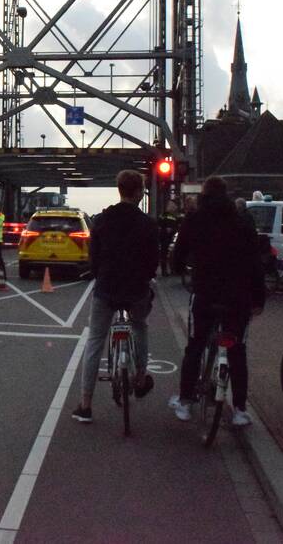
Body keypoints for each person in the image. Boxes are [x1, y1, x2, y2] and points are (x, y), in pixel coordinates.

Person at [170, 176, 265, 427]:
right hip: (238, 296)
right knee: (237, 350)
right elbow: (255, 262)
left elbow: (179, 253)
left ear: (204, 194)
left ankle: (185, 402)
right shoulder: (242, 221)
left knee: (195, 346)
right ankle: (241, 410)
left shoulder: (195, 218)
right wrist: (259, 298)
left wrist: (178, 267)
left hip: (205, 292)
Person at [72, 170, 158, 423]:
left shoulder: (102, 219)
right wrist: (147, 276)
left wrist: (97, 272)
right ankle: (140, 378)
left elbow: (94, 256)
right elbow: (153, 259)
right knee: (140, 326)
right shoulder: (147, 223)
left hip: (107, 287)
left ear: (119, 189)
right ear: (140, 192)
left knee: (95, 340)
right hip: (136, 289)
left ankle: (85, 405)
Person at [157, 201, 179, 277]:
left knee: (164, 255)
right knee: (166, 254)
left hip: (163, 238)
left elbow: (159, 226)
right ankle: (167, 271)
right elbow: (170, 229)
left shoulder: (162, 215)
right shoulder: (171, 216)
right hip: (167, 238)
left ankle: (164, 270)